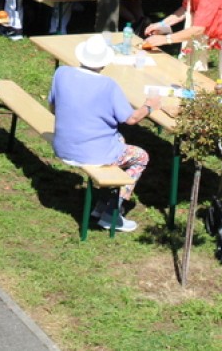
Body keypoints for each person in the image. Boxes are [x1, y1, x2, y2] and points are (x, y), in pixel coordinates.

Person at [48, 34, 160, 233]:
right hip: (92, 153)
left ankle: (102, 203)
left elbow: (53, 108)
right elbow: (131, 119)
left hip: (64, 145)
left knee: (120, 140)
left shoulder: (62, 73)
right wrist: (149, 107)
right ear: (104, 62)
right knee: (140, 157)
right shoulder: (108, 85)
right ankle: (113, 211)